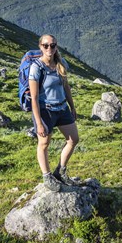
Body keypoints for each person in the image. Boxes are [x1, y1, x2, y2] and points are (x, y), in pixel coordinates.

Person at [29, 34, 80, 190]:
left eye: (52, 45)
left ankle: (60, 171)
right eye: (46, 45)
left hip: (62, 108)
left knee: (73, 140)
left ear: (56, 46)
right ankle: (47, 176)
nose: (49, 48)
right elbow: (34, 97)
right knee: (44, 143)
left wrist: (72, 107)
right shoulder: (36, 67)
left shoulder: (60, 63)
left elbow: (66, 87)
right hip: (46, 111)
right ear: (40, 47)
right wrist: (38, 123)